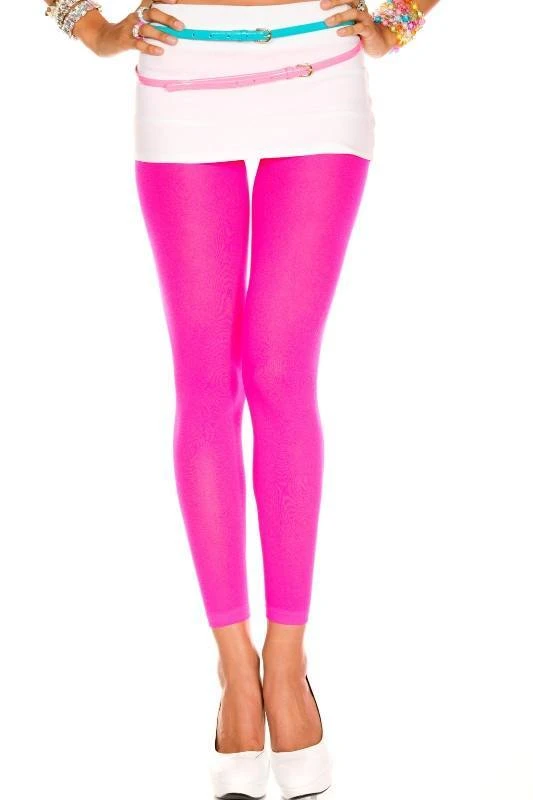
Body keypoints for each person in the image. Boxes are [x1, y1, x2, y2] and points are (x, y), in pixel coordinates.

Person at [45, 0, 439, 797]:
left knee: (281, 373)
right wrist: (90, 27)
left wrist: (399, 18)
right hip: (182, 76)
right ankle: (234, 665)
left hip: (318, 76)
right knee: (204, 379)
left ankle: (286, 662)